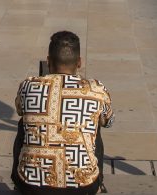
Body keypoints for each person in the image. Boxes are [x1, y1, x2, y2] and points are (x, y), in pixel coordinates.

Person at [12, 31, 112, 195]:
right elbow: (108, 121)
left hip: (31, 185)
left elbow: (20, 110)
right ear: (79, 63)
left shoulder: (28, 86)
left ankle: (19, 181)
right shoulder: (96, 89)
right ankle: (98, 184)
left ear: (48, 61)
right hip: (83, 187)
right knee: (96, 122)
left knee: (23, 123)